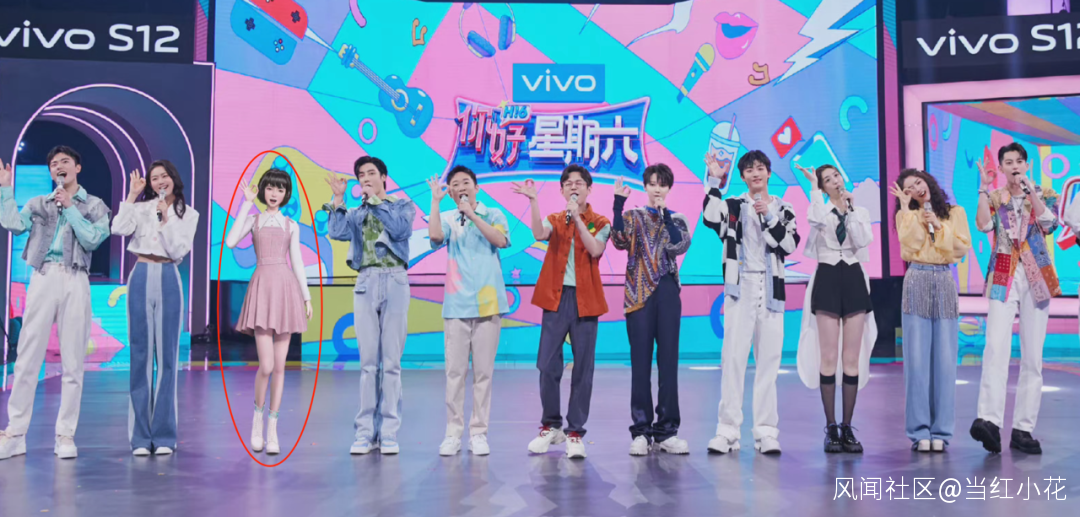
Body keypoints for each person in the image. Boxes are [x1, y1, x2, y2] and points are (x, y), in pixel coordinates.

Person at [0, 146, 111, 461]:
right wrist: (5, 189)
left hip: (75, 278)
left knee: (73, 361)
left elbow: (93, 239)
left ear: (77, 167)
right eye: (53, 164)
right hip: (43, 276)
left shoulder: (95, 205)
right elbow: (14, 225)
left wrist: (71, 208)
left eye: (64, 162)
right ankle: (15, 434)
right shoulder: (39, 203)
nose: (58, 167)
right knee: (27, 357)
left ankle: (65, 435)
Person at [702, 150, 800, 455]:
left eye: (760, 168)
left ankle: (766, 432)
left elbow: (788, 244)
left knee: (768, 362)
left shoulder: (784, 208)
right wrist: (714, 181)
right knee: (733, 360)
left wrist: (768, 216)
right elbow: (709, 217)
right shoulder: (734, 205)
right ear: (743, 176)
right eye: (749, 170)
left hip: (771, 288)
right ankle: (727, 431)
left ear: (768, 172)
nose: (755, 173)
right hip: (740, 286)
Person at [512, 165, 610, 459]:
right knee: (546, 364)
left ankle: (575, 432)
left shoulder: (601, 222)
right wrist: (533, 201)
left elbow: (595, 250)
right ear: (562, 190)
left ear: (589, 189)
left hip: (586, 301)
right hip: (555, 299)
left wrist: (578, 219)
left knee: (583, 368)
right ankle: (551, 426)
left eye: (579, 183)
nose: (573, 187)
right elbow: (539, 232)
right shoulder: (556, 219)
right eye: (568, 183)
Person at [970, 143, 1059, 455]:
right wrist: (983, 189)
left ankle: (1023, 429)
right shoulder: (995, 197)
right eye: (1008, 162)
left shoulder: (1045, 193)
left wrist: (1031, 191)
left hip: (1038, 275)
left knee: (1033, 356)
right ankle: (989, 421)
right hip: (1003, 274)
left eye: (1019, 161)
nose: (1015, 166)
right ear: (1001, 168)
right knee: (995, 347)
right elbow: (983, 225)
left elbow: (1049, 224)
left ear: (1027, 164)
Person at [326, 156, 416, 455]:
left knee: (391, 363)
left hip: (396, 280)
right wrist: (338, 200)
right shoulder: (356, 212)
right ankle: (365, 433)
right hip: (365, 281)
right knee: (367, 364)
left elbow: (400, 231)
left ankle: (388, 433)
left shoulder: (402, 205)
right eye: (361, 175)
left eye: (371, 173)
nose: (365, 178)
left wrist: (376, 203)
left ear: (384, 176)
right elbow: (337, 232)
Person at [111, 161, 200, 456]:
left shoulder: (189, 214)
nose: (160, 181)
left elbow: (178, 250)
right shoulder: (140, 208)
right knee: (140, 356)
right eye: (154, 178)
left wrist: (165, 221)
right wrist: (131, 196)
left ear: (174, 178)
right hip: (140, 275)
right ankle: (140, 437)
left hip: (168, 277)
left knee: (167, 359)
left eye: (164, 176)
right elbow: (118, 228)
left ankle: (163, 435)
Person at [226, 168, 312, 455]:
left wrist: (307, 297)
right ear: (263, 190)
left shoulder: (291, 225)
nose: (275, 194)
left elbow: (297, 262)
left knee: (280, 367)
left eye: (280, 189)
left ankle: (272, 429)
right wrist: (246, 203)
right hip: (262, 288)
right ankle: (257, 420)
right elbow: (230, 242)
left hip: (286, 290)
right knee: (265, 366)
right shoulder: (254, 219)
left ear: (286, 194)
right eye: (271, 188)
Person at [426, 166, 511, 456]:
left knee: (483, 373)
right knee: (455, 373)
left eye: (465, 182)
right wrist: (435, 202)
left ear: (476, 187)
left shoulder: (494, 214)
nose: (461, 187)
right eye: (455, 184)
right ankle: (453, 433)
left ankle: (479, 433)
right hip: (456, 306)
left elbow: (500, 240)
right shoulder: (449, 217)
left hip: (489, 305)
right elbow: (435, 237)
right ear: (450, 192)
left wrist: (473, 215)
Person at [610, 164, 692, 456]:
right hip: (638, 296)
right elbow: (619, 240)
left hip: (667, 292)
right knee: (640, 365)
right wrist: (617, 204)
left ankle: (667, 431)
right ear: (645, 186)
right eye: (653, 184)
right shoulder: (633, 216)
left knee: (668, 363)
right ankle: (641, 432)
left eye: (662, 184)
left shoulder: (677, 219)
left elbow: (678, 245)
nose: (657, 189)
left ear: (669, 188)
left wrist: (665, 214)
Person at [794, 164, 876, 454]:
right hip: (828, 277)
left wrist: (850, 211)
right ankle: (830, 427)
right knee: (828, 357)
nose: (834, 181)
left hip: (853, 278)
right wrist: (814, 189)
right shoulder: (821, 209)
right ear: (823, 187)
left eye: (836, 176)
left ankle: (847, 426)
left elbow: (863, 240)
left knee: (851, 359)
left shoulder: (859, 211)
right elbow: (815, 218)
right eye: (827, 180)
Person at [890, 168, 972, 453]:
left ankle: (941, 431)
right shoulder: (906, 215)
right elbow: (910, 245)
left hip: (944, 279)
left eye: (918, 182)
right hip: (917, 278)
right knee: (916, 360)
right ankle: (919, 431)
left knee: (946, 360)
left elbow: (960, 248)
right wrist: (905, 209)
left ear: (928, 182)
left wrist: (938, 224)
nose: (916, 188)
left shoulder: (955, 212)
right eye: (909, 188)